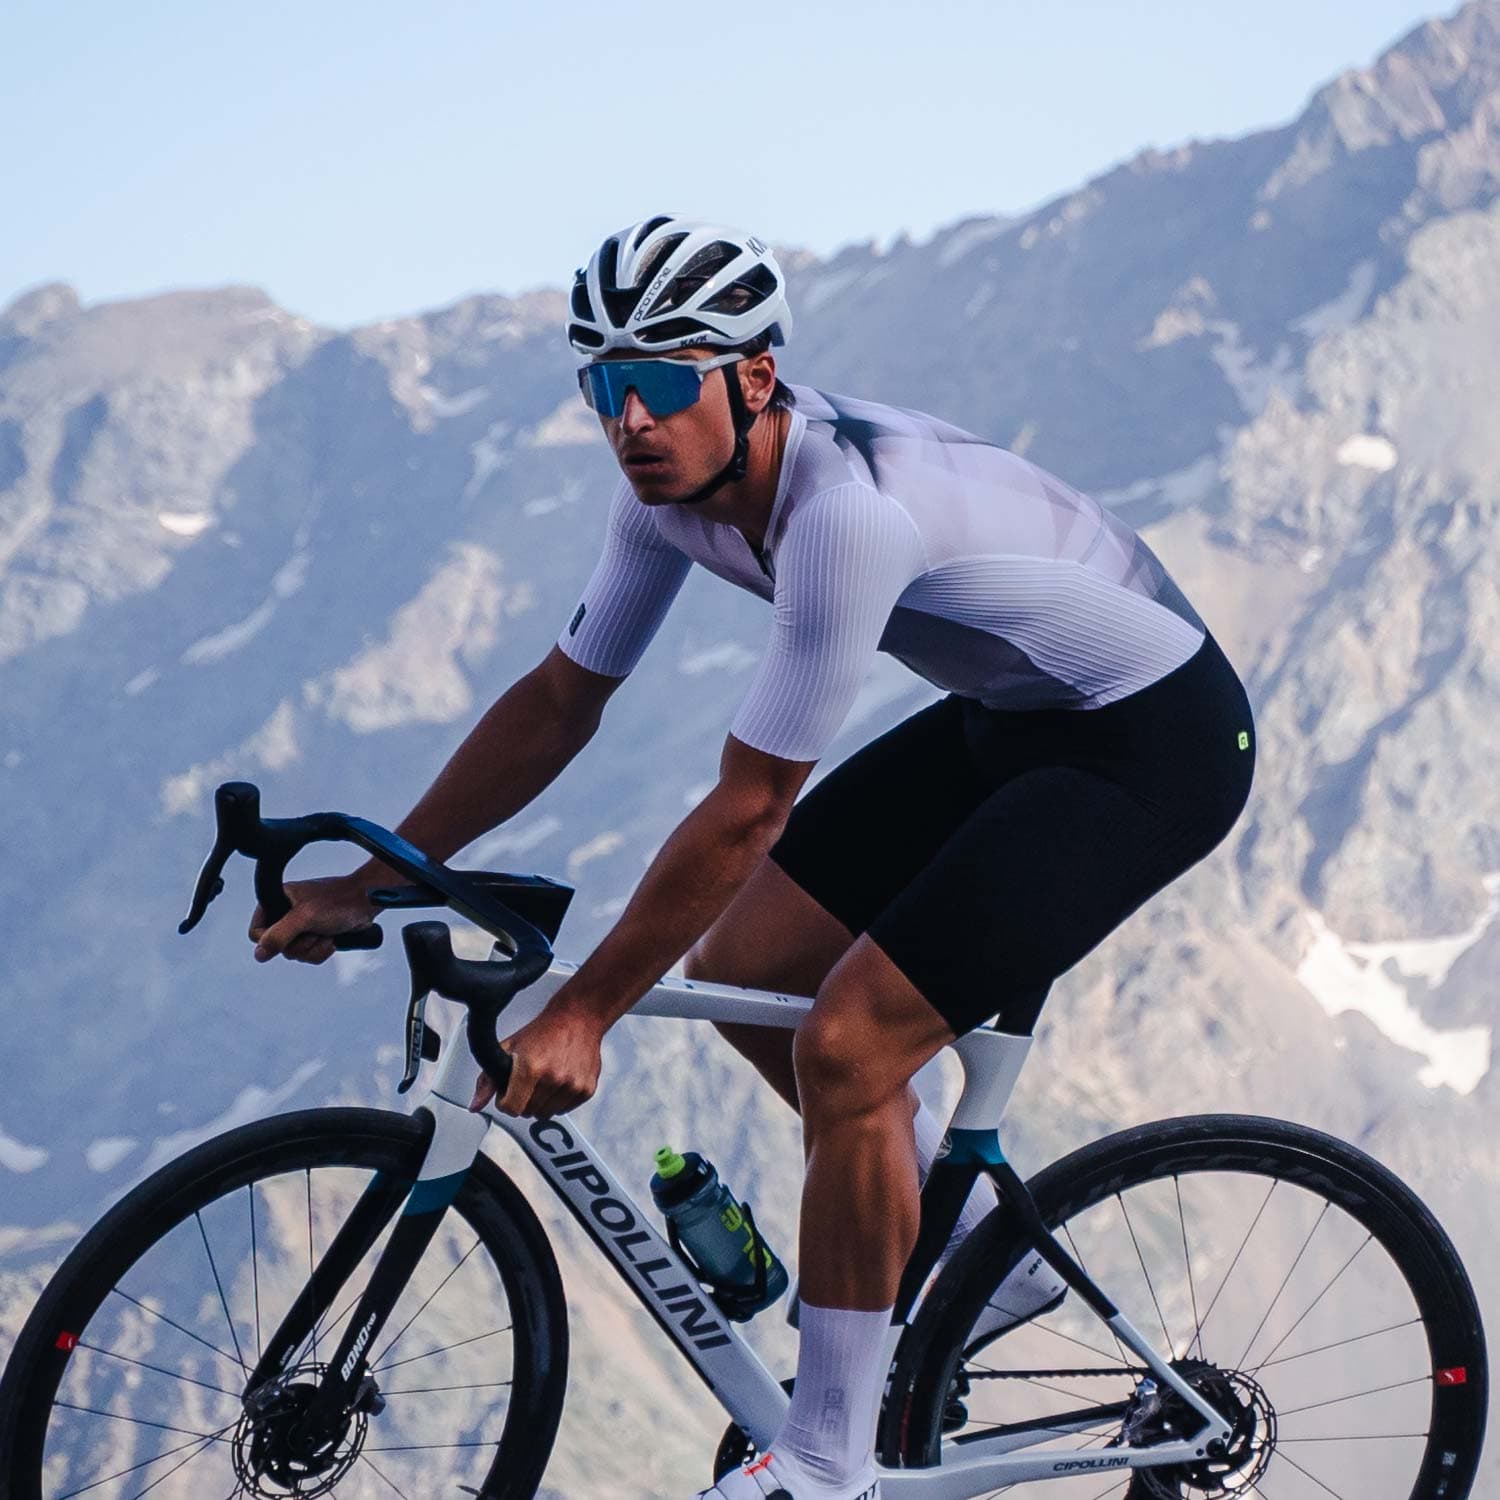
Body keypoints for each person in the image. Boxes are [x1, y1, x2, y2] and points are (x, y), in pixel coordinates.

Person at [249, 215, 1256, 1500]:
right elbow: (559, 702)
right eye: (604, 386)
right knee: (748, 970)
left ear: (755, 377)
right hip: (1011, 715)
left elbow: (749, 812)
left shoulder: (844, 517)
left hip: (1152, 743)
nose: (631, 420)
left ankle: (825, 1465)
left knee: (849, 1045)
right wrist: (378, 878)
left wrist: (586, 1010)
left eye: (663, 383)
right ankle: (976, 1267)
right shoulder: (660, 501)